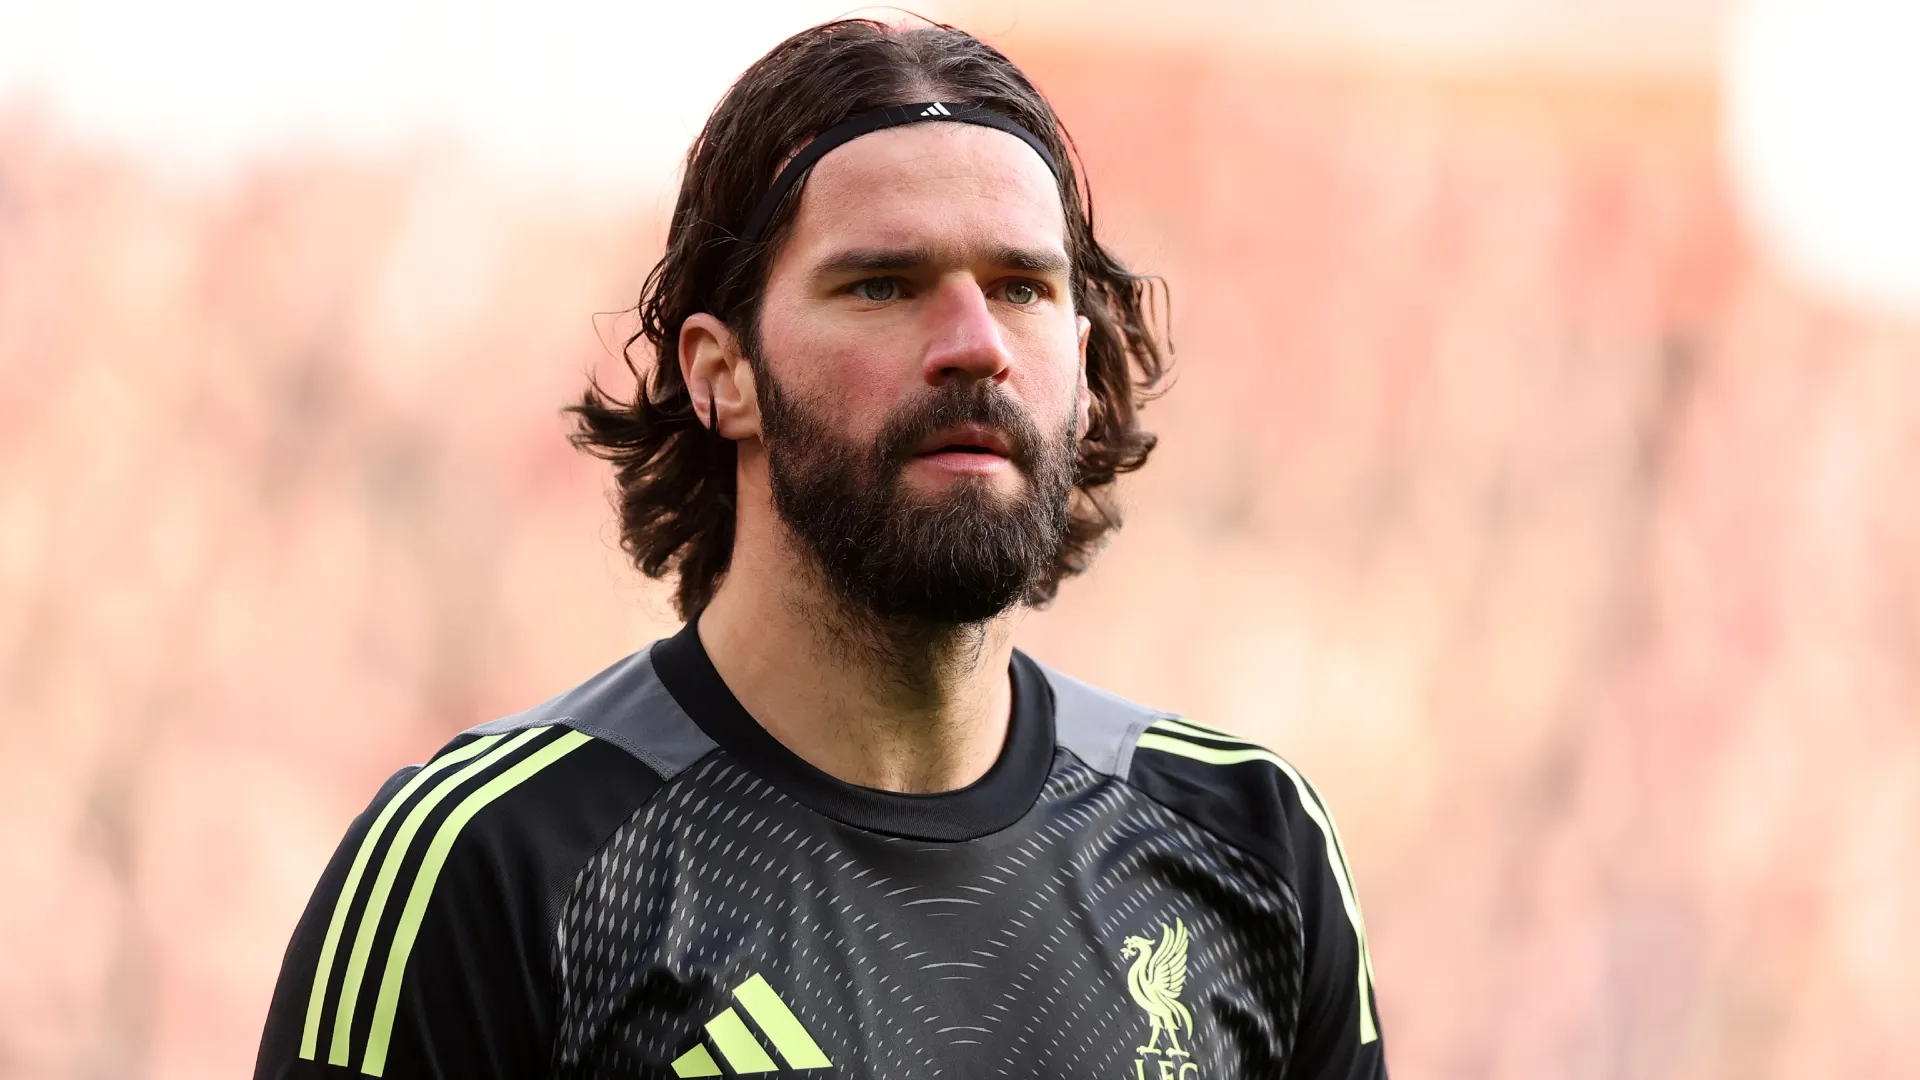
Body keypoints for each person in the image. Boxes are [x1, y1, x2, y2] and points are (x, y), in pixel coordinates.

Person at [254, 17, 1386, 1080]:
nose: (975, 346)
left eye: (1022, 288)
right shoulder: (491, 864)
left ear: (1083, 371)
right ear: (721, 371)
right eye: (883, 285)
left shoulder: (1251, 845)